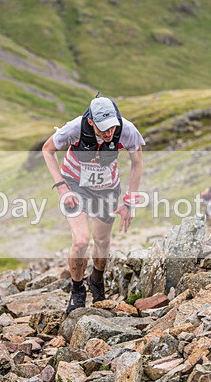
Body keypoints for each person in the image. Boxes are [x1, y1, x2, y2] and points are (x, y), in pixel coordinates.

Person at [42, 95, 145, 314]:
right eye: (103, 129)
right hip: (74, 185)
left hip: (107, 188)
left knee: (102, 240)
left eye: (112, 128)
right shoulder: (75, 128)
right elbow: (47, 150)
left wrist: (129, 201)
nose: (109, 133)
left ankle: (96, 280)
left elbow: (137, 163)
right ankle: (77, 289)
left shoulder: (126, 129)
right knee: (81, 241)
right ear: (91, 122)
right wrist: (62, 187)